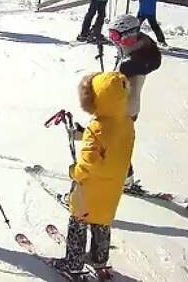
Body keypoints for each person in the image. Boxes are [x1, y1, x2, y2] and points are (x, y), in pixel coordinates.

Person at [53, 72, 134, 278]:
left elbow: (88, 164)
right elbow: (113, 146)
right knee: (103, 221)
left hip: (89, 189)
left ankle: (73, 264)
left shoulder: (96, 129)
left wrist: (75, 172)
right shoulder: (127, 123)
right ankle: (100, 258)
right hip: (113, 188)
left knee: (78, 222)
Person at [107, 14, 162, 188]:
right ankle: (124, 177)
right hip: (123, 105)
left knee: (113, 142)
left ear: (128, 34)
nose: (112, 40)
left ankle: (120, 177)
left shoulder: (138, 57)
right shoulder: (133, 42)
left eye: (115, 36)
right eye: (111, 35)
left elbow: (153, 61)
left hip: (126, 107)